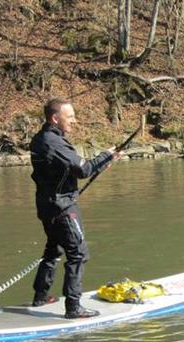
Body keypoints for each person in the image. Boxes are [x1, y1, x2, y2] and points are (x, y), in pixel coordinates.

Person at [29, 98, 123, 319]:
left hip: (48, 205)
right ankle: (73, 307)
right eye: (69, 117)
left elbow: (68, 170)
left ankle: (41, 296)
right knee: (78, 254)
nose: (74, 120)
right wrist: (105, 156)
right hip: (62, 208)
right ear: (55, 118)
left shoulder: (40, 139)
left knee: (53, 249)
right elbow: (82, 169)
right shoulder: (53, 142)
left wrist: (104, 162)